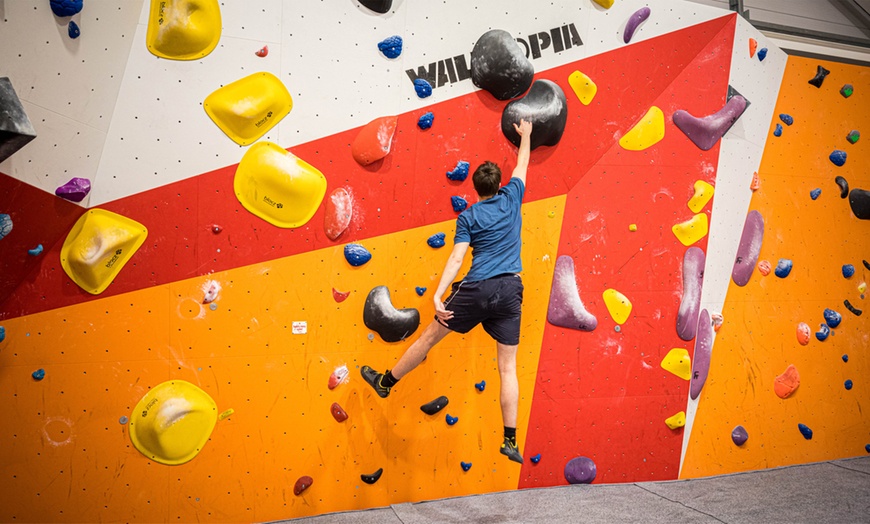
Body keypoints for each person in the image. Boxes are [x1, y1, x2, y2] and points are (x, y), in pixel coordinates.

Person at [361, 119, 533, 464]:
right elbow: (523, 164)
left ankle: (385, 382)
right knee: (508, 368)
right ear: (499, 185)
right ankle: (510, 440)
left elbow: (457, 258)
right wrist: (525, 136)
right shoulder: (513, 196)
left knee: (427, 338)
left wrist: (438, 295)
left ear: (475, 188)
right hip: (511, 288)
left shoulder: (468, 217)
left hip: (477, 288)